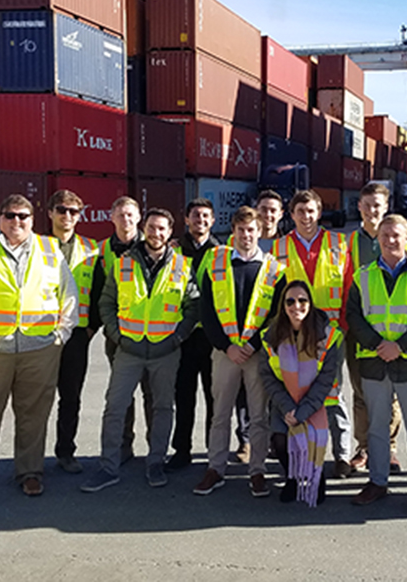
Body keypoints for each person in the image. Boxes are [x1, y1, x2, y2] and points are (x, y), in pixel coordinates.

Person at [0, 194, 78, 504]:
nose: (17, 222)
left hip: (39, 349)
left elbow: (69, 297)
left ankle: (30, 473)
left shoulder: (50, 250)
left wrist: (59, 337)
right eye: (10, 215)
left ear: (33, 219)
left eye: (23, 216)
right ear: (0, 218)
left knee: (33, 415)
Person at [82, 208, 199, 491]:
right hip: (129, 350)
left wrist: (177, 338)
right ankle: (108, 467)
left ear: (170, 232)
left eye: (162, 228)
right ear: (143, 228)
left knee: (161, 408)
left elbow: (193, 306)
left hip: (165, 351)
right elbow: (106, 302)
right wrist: (117, 335)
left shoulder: (183, 266)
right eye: (151, 227)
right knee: (115, 407)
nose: (156, 233)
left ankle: (155, 463)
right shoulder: (123, 263)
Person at [346, 214, 407, 516]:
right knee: (376, 428)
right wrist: (378, 346)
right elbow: (354, 317)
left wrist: (399, 346)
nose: (389, 240)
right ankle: (377, 482)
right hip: (374, 363)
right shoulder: (362, 276)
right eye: (384, 235)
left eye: (396, 235)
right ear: (378, 240)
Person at [193, 206, 286, 497]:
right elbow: (205, 310)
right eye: (240, 230)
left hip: (257, 353)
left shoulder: (274, 270)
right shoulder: (216, 263)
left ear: (260, 231)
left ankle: (257, 471)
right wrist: (226, 346)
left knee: (258, 416)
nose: (246, 235)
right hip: (225, 353)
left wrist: (252, 345)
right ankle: (215, 468)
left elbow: (275, 317)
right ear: (232, 232)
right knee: (219, 414)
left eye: (251, 230)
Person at [272, 189, 353, 478]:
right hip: (293, 333)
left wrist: (341, 326)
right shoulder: (278, 248)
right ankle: (303, 452)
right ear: (291, 215)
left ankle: (342, 454)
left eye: (311, 211)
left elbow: (349, 288)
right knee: (298, 392)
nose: (306, 217)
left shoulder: (339, 244)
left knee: (333, 394)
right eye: (300, 211)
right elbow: (273, 294)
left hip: (331, 333)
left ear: (319, 212)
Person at [259, 281, 343, 507]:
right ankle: (293, 478)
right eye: (290, 301)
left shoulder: (328, 336)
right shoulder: (270, 336)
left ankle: (317, 477)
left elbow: (325, 381)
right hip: (284, 402)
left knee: (313, 436)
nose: (297, 306)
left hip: (315, 402)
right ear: (283, 306)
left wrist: (302, 411)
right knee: (279, 440)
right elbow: (268, 376)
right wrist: (288, 408)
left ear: (310, 303)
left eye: (302, 300)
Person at [345, 182, 403, 473]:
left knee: (390, 391)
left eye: (377, 205)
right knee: (360, 391)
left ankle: (389, 449)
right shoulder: (348, 243)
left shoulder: (400, 239)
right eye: (366, 205)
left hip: (392, 330)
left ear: (386, 206)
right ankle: (365, 447)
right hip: (358, 329)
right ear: (359, 206)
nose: (371, 211)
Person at [49, 190, 104, 474]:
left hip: (78, 335)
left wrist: (92, 327)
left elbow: (99, 292)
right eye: (62, 210)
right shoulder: (38, 246)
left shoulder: (91, 249)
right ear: (50, 213)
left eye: (73, 211)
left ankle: (65, 452)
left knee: (70, 397)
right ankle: (30, 458)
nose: (67, 216)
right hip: (41, 334)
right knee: (36, 401)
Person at [166, 198, 219, 471]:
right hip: (183, 335)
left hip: (211, 338)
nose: (200, 220)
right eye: (195, 215)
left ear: (213, 220)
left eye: (205, 216)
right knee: (183, 396)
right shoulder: (172, 251)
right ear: (186, 219)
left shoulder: (222, 252)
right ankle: (182, 450)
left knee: (214, 397)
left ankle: (214, 451)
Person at [100, 196, 152, 464]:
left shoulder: (156, 246)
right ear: (112, 217)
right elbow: (101, 296)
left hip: (154, 335)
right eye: (120, 214)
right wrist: (111, 330)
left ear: (139, 217)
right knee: (122, 395)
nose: (126, 220)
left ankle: (155, 451)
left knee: (153, 394)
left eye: (130, 215)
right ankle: (123, 446)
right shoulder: (102, 251)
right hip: (118, 336)